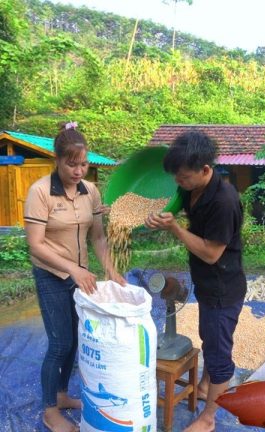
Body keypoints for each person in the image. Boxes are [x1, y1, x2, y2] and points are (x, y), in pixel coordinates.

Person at [23, 121, 127, 432]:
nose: (79, 171)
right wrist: (73, 269)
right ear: (57, 160)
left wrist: (110, 269)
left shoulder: (90, 191)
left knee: (75, 340)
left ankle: (62, 394)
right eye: (72, 164)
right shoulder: (40, 192)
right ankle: (49, 410)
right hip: (52, 275)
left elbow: (98, 237)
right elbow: (36, 243)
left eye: (83, 164)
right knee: (59, 343)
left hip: (79, 276)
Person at [145, 130, 246, 432]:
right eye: (177, 178)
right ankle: (204, 387)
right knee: (209, 336)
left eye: (184, 178)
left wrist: (174, 228)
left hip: (222, 288)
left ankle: (209, 418)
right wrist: (155, 218)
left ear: (205, 170)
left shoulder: (224, 201)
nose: (180, 184)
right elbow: (173, 205)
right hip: (207, 284)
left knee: (218, 354)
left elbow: (212, 253)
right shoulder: (192, 188)